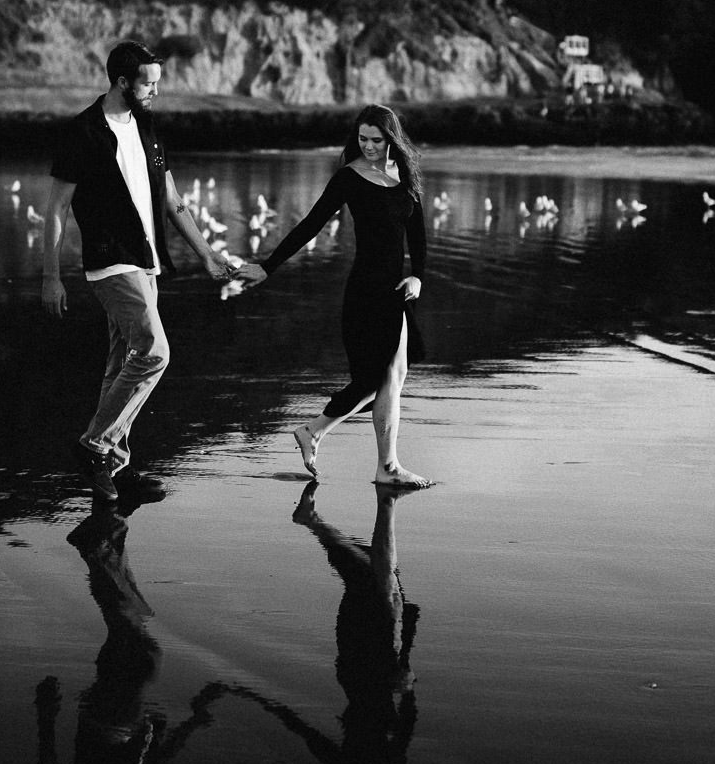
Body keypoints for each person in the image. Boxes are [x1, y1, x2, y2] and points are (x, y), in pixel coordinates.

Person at [43, 40, 232, 493]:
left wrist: (207, 254)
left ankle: (115, 466)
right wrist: (51, 275)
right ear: (122, 82)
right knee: (154, 352)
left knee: (121, 363)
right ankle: (94, 445)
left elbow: (172, 199)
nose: (155, 92)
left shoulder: (147, 127)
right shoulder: (84, 132)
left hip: (147, 261)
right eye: (148, 84)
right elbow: (57, 208)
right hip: (110, 260)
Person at [238, 105, 432, 489]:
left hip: (396, 290)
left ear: (392, 139)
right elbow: (310, 225)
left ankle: (381, 462)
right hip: (366, 290)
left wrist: (418, 277)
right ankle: (325, 435)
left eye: (377, 140)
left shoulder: (405, 175)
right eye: (363, 139)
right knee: (375, 379)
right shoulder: (350, 177)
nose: (369, 146)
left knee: (394, 376)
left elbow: (418, 236)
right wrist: (268, 266)